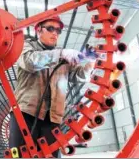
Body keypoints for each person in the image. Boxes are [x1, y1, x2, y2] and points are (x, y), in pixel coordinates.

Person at [8, 16, 97, 158]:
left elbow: (79, 76)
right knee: (19, 155)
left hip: (52, 118)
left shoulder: (63, 57)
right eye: (50, 28)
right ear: (38, 30)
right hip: (25, 114)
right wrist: (60, 54)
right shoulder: (27, 47)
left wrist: (91, 62)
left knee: (50, 155)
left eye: (58, 30)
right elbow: (30, 62)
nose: (55, 33)